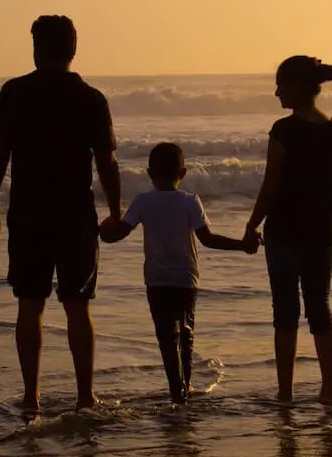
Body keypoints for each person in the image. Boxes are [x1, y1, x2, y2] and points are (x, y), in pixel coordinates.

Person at [0, 15, 121, 414]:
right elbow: (107, 162)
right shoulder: (90, 98)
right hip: (75, 214)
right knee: (77, 305)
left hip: (28, 212)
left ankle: (30, 395)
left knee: (30, 304)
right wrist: (116, 212)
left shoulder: (15, 93)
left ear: (37, 48)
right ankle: (85, 396)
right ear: (73, 49)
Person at [100, 142, 259, 404]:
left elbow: (117, 234)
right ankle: (183, 388)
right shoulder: (190, 201)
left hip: (157, 279)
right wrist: (242, 245)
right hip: (186, 279)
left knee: (165, 336)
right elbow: (207, 239)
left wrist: (98, 230)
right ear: (183, 173)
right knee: (186, 333)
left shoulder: (142, 202)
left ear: (150, 173)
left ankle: (176, 391)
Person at [243, 56, 332, 404]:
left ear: (298, 87)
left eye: (280, 85)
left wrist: (251, 225)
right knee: (320, 307)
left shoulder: (284, 130)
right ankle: (329, 388)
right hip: (321, 233)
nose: (276, 92)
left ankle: (285, 392)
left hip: (285, 232)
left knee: (285, 312)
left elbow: (270, 185)